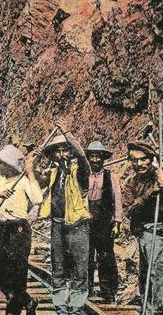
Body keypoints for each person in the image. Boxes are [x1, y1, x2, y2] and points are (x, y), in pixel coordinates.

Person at [38, 119, 91, 315]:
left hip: (78, 226)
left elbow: (83, 158)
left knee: (79, 269)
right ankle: (60, 306)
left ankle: (76, 307)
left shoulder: (81, 172)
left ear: (70, 152)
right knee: (58, 267)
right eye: (57, 151)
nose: (62, 155)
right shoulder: (52, 173)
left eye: (65, 150)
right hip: (57, 226)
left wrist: (68, 133)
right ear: (53, 155)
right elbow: (32, 173)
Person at [0, 145, 41, 315]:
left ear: (8, 165)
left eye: (0, 163)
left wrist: (30, 174)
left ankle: (13, 311)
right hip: (0, 229)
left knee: (18, 271)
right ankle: (28, 301)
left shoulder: (22, 181)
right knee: (0, 275)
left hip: (18, 229)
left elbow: (37, 198)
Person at [122, 140, 162, 313]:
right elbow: (129, 209)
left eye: (143, 159)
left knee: (157, 274)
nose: (139, 164)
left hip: (160, 231)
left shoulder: (160, 176)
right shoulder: (131, 183)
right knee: (146, 274)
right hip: (146, 232)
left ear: (151, 159)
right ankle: (148, 310)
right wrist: (151, 193)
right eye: (134, 160)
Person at [84, 141, 122, 303]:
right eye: (92, 156)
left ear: (103, 159)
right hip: (85, 221)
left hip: (104, 223)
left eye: (98, 156)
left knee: (106, 256)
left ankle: (108, 291)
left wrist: (118, 221)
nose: (95, 160)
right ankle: (87, 288)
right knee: (86, 255)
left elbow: (117, 199)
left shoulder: (110, 176)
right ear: (88, 158)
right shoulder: (83, 174)